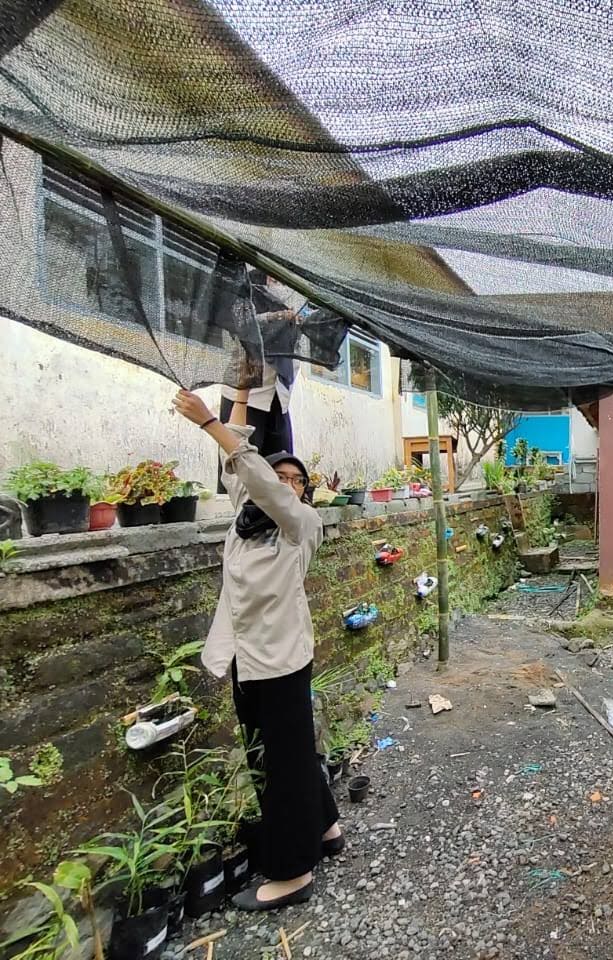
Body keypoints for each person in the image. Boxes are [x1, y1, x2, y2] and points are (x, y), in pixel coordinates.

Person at [173, 385, 342, 911]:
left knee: (279, 768)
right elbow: (243, 470)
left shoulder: (300, 526)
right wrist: (241, 393)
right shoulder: (245, 525)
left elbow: (259, 479)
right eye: (282, 477)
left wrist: (207, 422)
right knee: (283, 755)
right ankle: (328, 828)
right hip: (245, 660)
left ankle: (293, 873)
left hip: (281, 661)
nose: (288, 487)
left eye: (299, 483)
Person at [216, 272, 300, 491]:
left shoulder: (293, 295)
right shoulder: (247, 284)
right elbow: (239, 323)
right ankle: (238, 524)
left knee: (281, 470)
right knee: (238, 469)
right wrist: (275, 318)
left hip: (279, 395)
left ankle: (276, 524)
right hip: (245, 394)